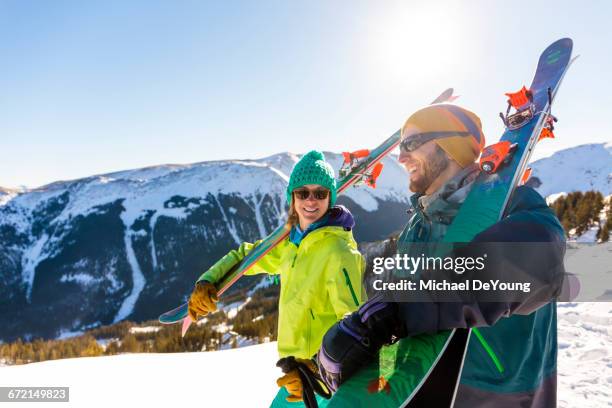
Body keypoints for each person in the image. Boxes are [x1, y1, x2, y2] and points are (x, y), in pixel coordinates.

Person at [316, 104, 566, 407]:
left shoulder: (510, 203)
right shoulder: (417, 226)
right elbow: (395, 306)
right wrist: (364, 341)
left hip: (502, 392)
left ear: (450, 145)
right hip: (429, 385)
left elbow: (534, 264)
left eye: (410, 144)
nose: (401, 157)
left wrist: (403, 309)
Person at [187, 150, 365, 404]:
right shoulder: (289, 243)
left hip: (327, 377)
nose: (311, 201)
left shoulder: (338, 251)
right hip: (295, 372)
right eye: (302, 193)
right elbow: (246, 256)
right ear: (292, 197)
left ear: (330, 197)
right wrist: (209, 281)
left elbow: (353, 323)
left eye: (320, 193)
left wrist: (316, 368)